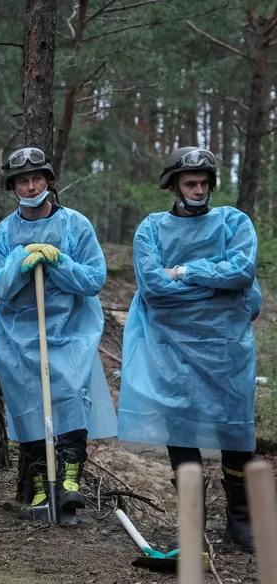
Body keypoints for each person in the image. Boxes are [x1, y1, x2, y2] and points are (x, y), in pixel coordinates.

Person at [118, 147, 260, 552]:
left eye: (203, 183)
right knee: (180, 427)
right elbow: (153, 288)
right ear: (174, 186)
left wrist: (183, 271)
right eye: (189, 183)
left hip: (226, 349)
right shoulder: (150, 230)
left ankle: (240, 520)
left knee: (236, 431)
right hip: (170, 348)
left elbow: (242, 273)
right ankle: (192, 523)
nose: (198, 191)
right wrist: (215, 288)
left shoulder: (235, 222)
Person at [0, 146, 116, 518]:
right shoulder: (2, 234)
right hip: (17, 334)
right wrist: (19, 261)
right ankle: (41, 488)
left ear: (48, 181)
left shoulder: (76, 225)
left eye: (36, 178)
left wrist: (60, 260)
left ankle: (70, 481)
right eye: (22, 181)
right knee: (28, 406)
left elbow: (94, 279)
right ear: (13, 187)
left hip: (70, 328)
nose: (30, 186)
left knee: (71, 394)